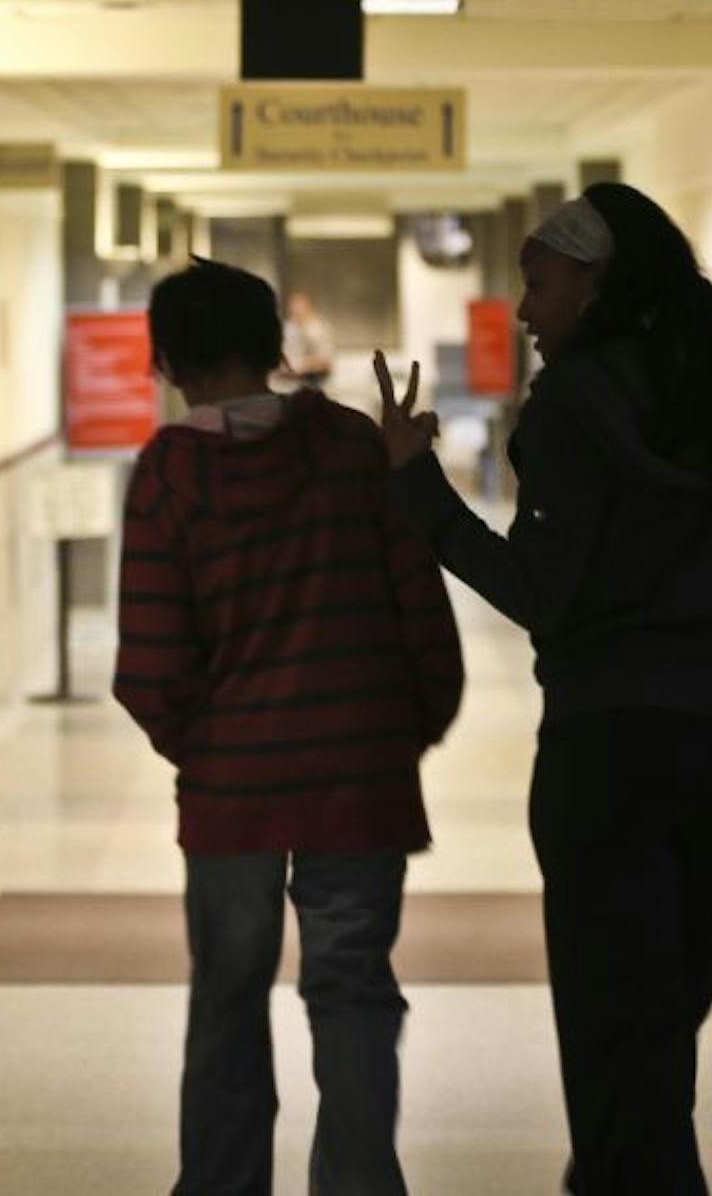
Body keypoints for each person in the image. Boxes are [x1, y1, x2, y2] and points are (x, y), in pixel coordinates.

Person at [372, 185, 712, 1195]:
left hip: (614, 751)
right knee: (659, 1019)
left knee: (617, 1027)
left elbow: (543, 594)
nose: (524, 309)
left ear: (597, 281)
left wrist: (416, 485)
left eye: (539, 282)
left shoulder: (573, 403)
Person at [114, 257, 465, 1196]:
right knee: (352, 992)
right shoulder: (353, 447)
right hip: (358, 780)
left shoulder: (167, 475)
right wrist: (401, 733)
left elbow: (148, 665)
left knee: (228, 999)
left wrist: (215, 749)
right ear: (276, 348)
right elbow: (420, 614)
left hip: (232, 794)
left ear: (166, 362)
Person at [282, 290, 337, 388]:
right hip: (289, 379)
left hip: (314, 379)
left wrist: (300, 366)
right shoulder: (289, 328)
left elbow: (325, 361)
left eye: (299, 308)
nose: (296, 312)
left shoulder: (318, 329)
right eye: (293, 308)